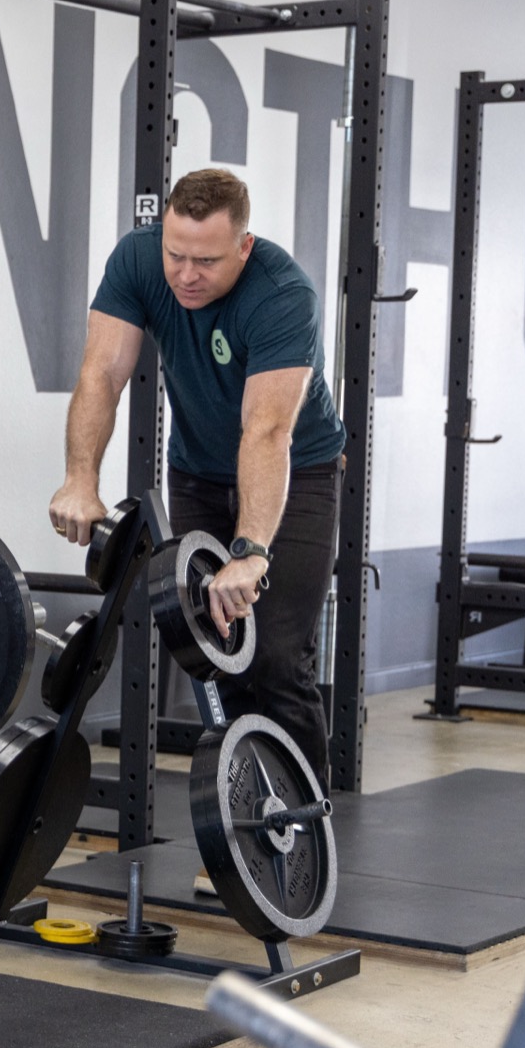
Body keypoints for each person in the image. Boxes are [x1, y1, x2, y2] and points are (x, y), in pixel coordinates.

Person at [47, 168, 341, 784]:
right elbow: (102, 373)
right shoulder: (137, 260)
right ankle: (243, 814)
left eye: (206, 261)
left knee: (279, 657)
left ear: (244, 247)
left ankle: (303, 825)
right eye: (175, 255)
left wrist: (251, 552)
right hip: (198, 473)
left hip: (298, 473)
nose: (185, 274)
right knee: (220, 650)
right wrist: (80, 479)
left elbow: (267, 431)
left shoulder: (283, 294)